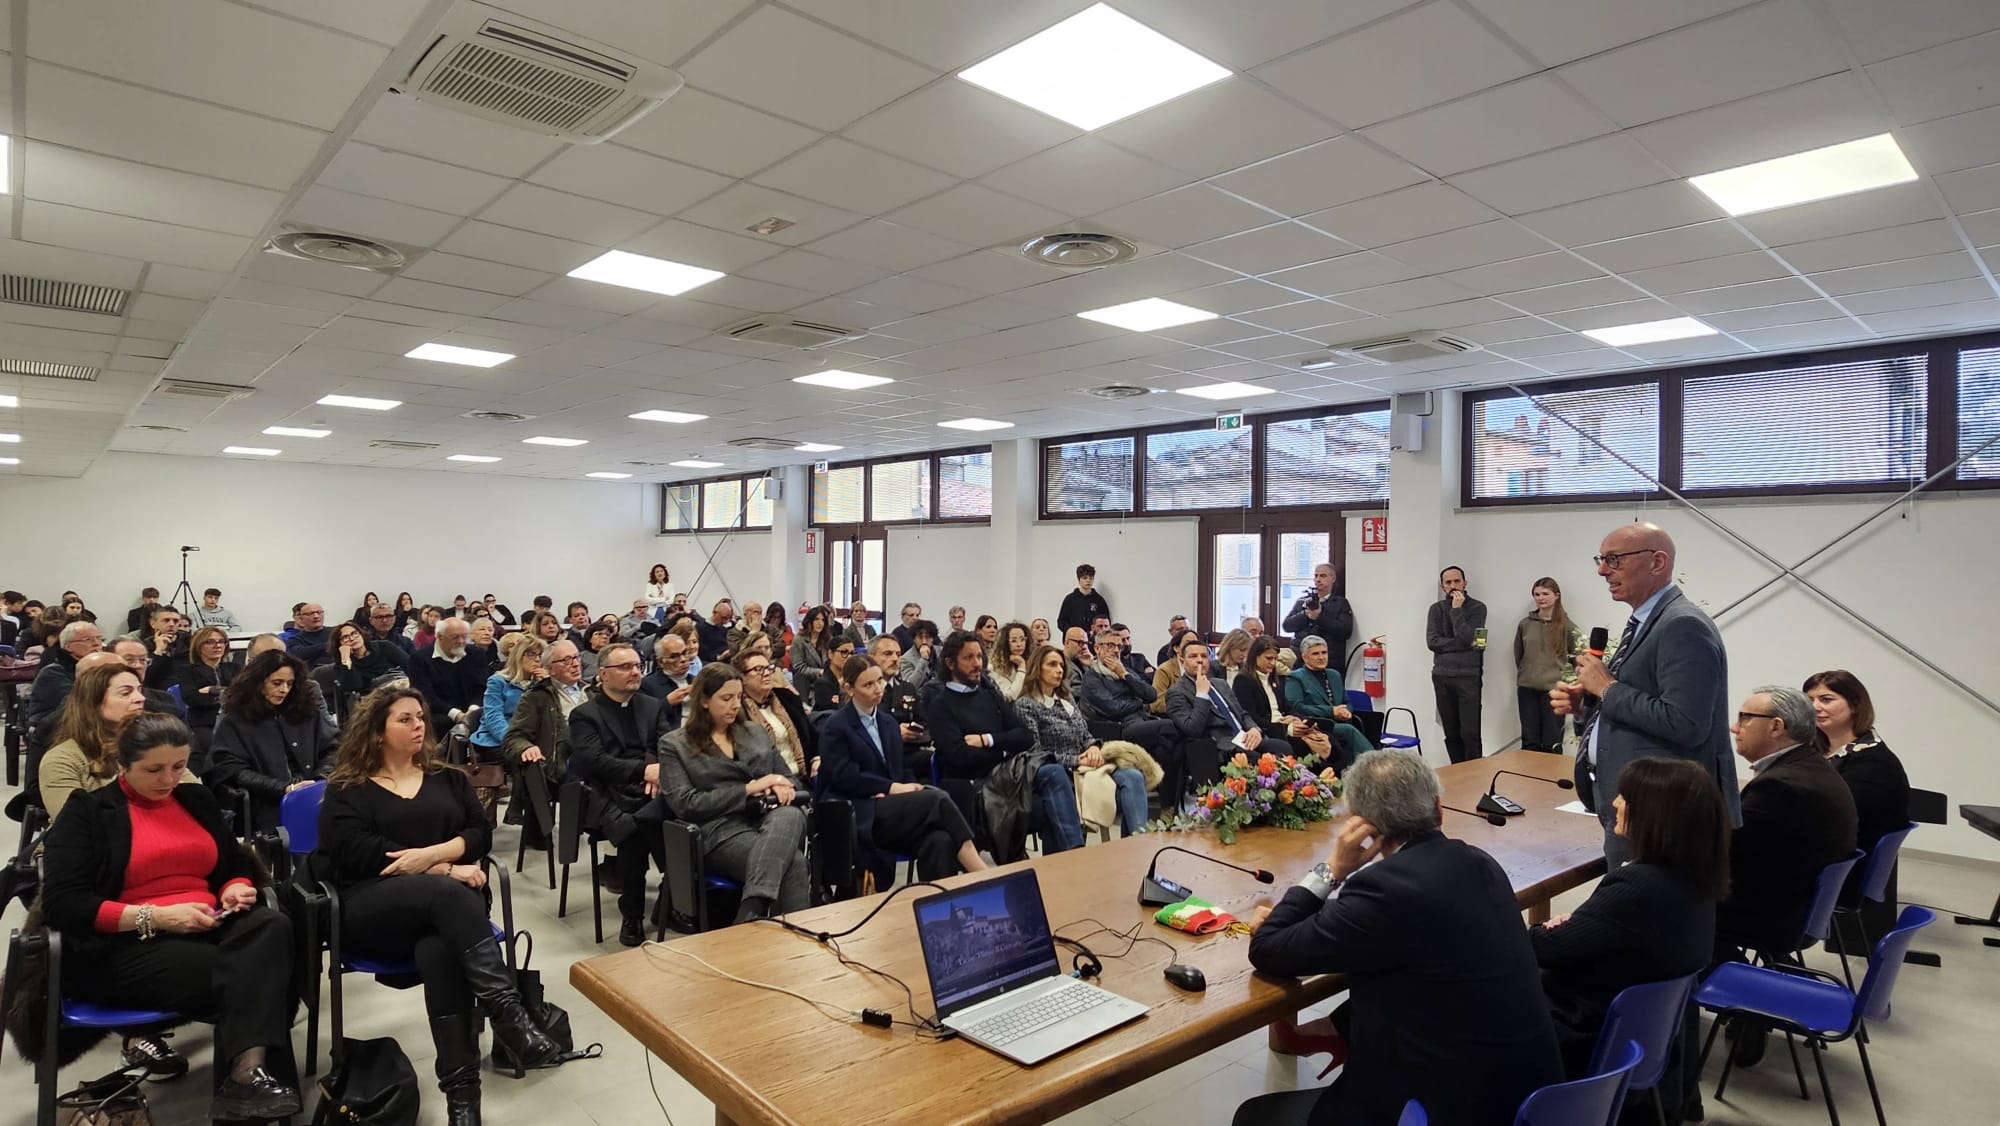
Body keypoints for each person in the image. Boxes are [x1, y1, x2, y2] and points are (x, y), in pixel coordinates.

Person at [1240, 750, 1563, 1126]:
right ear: (1438, 809)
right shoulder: (1479, 862)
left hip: (1453, 1108)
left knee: (1255, 1116)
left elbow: (1268, 949)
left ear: (1361, 828)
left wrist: (1331, 870)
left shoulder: (1384, 891)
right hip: (1538, 1102)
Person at [41, 712, 303, 1120]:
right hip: (125, 944)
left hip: (206, 923)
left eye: (179, 767)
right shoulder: (88, 813)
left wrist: (232, 886)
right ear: (122, 764)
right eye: (154, 769)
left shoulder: (194, 800)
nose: (169, 779)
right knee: (254, 972)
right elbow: (64, 904)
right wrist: (158, 917)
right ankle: (248, 1084)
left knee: (273, 924)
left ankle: (246, 1080)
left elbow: (231, 863)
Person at [319, 688, 564, 1123]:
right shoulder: (347, 789)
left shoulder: (446, 777)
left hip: (452, 916)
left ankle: (462, 1100)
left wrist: (431, 855)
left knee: (440, 950)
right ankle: (510, 1016)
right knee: (450, 896)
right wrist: (446, 869)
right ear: (377, 732)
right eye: (405, 719)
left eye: (420, 718)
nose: (419, 726)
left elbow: (479, 833)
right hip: (374, 905)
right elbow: (356, 853)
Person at [1552, 523, 1740, 866]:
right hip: (1637, 806)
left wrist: (1607, 687)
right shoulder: (1647, 621)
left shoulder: (1682, 626)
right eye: (1601, 559)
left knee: (1645, 917)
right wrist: (1585, 705)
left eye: (1614, 559)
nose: (1602, 570)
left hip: (1664, 816)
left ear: (1657, 562)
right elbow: (1636, 702)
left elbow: (1685, 723)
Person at [1531, 757, 1729, 1080]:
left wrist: (1543, 929)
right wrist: (1582, 924)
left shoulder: (1637, 887)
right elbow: (1604, 930)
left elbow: (1545, 948)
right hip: (1644, 1037)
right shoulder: (1697, 878)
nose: (1615, 803)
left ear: (1654, 816)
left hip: (1582, 1036)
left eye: (1625, 797)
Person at [658, 665, 812, 923]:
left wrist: (780, 785)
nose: (734, 705)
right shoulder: (675, 744)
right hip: (719, 830)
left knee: (791, 815)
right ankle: (784, 937)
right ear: (705, 701)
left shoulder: (755, 732)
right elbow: (686, 804)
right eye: (726, 698)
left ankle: (752, 909)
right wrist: (750, 788)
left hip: (767, 817)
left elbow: (791, 780)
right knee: (793, 863)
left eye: (738, 697)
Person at [819, 653, 988, 883]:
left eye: (879, 680)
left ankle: (941, 903)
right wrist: (890, 787)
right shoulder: (836, 725)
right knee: (936, 798)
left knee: (939, 840)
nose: (878, 688)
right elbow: (843, 776)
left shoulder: (888, 723)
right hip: (861, 808)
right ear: (849, 689)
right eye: (868, 684)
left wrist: (908, 786)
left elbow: (899, 768)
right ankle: (981, 873)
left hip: (892, 808)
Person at [1717, 686, 1858, 961]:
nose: (1735, 728)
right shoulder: (1808, 767)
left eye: (1744, 718)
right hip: (1799, 906)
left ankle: (1722, 988)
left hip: (1775, 915)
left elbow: (1724, 855)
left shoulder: (1780, 787)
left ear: (1776, 727)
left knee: (1658, 904)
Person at [926, 631, 1088, 858]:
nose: (977, 664)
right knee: (1051, 792)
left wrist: (988, 741)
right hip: (977, 784)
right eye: (969, 658)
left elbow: (1024, 737)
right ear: (950, 663)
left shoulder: (988, 694)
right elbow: (960, 757)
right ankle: (1072, 860)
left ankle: (1063, 866)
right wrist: (1004, 750)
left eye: (980, 657)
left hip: (1010, 774)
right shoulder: (940, 705)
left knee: (1053, 776)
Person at [568, 643, 670, 945]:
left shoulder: (652, 705)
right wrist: (644, 771)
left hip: (652, 787)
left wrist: (655, 770)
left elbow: (664, 744)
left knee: (685, 822)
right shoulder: (584, 715)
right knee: (635, 829)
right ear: (603, 675)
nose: (635, 672)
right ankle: (633, 914)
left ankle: (671, 896)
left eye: (638, 665)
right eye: (625, 667)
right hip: (605, 792)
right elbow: (594, 761)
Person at [1804, 669, 1911, 946]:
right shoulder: (1830, 753)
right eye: (1810, 699)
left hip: (1836, 880)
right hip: (1829, 868)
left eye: (1826, 699)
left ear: (1854, 705)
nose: (1815, 706)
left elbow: (1825, 817)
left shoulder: (1872, 764)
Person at [1014, 644, 1151, 839]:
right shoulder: (1026, 705)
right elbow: (1035, 754)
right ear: (1037, 668)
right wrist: (1077, 760)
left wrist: (1093, 747)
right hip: (1060, 772)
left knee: (1133, 776)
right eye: (1052, 664)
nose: (1059, 670)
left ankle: (1138, 842)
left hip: (1089, 764)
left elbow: (1085, 734)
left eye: (1061, 665)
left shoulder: (1066, 699)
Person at [207, 650, 335, 834]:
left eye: (290, 683)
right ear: (258, 683)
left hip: (316, 791)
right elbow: (230, 769)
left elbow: (332, 748)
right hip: (265, 800)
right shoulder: (235, 719)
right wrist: (282, 788)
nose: (284, 689)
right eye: (277, 683)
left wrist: (318, 781)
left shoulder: (306, 711)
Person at [39, 662, 160, 821]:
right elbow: (71, 824)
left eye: (139, 690)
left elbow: (195, 799)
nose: (141, 698)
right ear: (93, 702)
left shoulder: (156, 745)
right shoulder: (62, 759)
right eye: (126, 693)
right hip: (93, 843)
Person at [501, 640, 585, 848]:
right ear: (550, 669)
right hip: (558, 768)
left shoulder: (592, 692)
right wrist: (526, 748)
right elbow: (513, 739)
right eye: (566, 660)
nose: (575, 664)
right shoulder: (537, 697)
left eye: (576, 657)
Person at [1165, 631, 1254, 810]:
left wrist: (1254, 729)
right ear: (1182, 661)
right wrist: (1201, 695)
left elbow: (1242, 714)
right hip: (1218, 744)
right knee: (1254, 759)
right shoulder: (1176, 692)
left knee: (1280, 748)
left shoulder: (1219, 683)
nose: (1200, 660)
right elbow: (1193, 728)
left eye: (1204, 656)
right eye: (1193, 656)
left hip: (1244, 737)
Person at [23, 617, 105, 793]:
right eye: (88, 640)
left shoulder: (101, 668)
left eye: (99, 639)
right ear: (68, 646)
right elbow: (82, 705)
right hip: (57, 735)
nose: (97, 644)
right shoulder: (53, 672)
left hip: (91, 732)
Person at [1233, 636, 1343, 766]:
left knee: (1330, 741)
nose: (1273, 663)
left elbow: (1287, 707)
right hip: (1270, 731)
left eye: (1275, 659)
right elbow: (1251, 717)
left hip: (1286, 725)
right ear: (1255, 657)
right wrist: (1287, 728)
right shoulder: (1243, 681)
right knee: (1307, 748)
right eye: (1269, 658)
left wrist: (1295, 719)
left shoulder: (1274, 679)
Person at [1079, 630, 1179, 762]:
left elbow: (1151, 695)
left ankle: (1167, 782)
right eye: (1110, 645)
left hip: (1144, 720)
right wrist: (1139, 702)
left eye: (1118, 647)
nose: (1116, 651)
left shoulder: (1124, 670)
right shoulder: (1092, 677)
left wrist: (1125, 676)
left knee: (1175, 748)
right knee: (1172, 726)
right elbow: (1113, 708)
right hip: (1121, 728)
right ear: (1097, 648)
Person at [1282, 636, 1372, 772]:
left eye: (1324, 652)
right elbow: (1297, 708)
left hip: (1341, 722)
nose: (1321, 657)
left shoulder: (1334, 675)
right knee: (1349, 731)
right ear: (1305, 657)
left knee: (1367, 724)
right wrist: (1331, 711)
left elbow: (1346, 701)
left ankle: (1362, 771)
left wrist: (1346, 711)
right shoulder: (1295, 677)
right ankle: (1375, 765)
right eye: (1315, 653)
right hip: (1317, 724)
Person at [1426, 566, 1487, 764]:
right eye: (1448, 583)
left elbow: (1477, 643)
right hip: (1442, 676)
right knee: (1451, 731)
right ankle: (1457, 770)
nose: (1453, 586)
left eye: (1457, 581)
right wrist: (1462, 644)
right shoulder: (1436, 609)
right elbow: (1432, 642)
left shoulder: (1478, 608)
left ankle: (1474, 773)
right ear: (1443, 586)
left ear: (1465, 583)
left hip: (1469, 677)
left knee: (1470, 732)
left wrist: (1457, 611)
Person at [1513, 578, 1580, 753]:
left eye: (1545, 594)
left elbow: (1578, 659)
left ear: (1556, 596)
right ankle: (1529, 779)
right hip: (1527, 688)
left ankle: (1550, 779)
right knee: (1529, 741)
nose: (1541, 598)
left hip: (1554, 691)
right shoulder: (1525, 624)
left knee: (1552, 742)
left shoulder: (1568, 627)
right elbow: (1519, 655)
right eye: (1537, 594)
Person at [734, 649, 816, 778]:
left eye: (769, 668)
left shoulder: (787, 697)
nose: (766, 673)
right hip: (770, 783)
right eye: (758, 669)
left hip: (805, 774)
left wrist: (816, 759)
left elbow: (811, 735)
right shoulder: (737, 710)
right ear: (742, 677)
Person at [174, 625, 241, 771]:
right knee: (213, 751)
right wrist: (228, 696)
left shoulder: (235, 668)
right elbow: (192, 698)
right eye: (210, 642)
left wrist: (212, 690)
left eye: (221, 641)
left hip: (235, 720)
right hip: (204, 722)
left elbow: (243, 694)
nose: (217, 646)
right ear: (199, 646)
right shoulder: (188, 671)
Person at [409, 618, 486, 734]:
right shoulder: (420, 659)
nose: (461, 641)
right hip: (439, 713)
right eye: (455, 637)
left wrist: (473, 710)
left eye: (465, 636)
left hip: (474, 710)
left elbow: (482, 686)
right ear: (440, 637)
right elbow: (426, 696)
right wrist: (456, 714)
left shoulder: (476, 654)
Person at [472, 637, 542, 760]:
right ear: (518, 656)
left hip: (531, 739)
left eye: (540, 655)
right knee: (531, 760)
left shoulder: (541, 684)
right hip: (498, 739)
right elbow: (493, 717)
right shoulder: (497, 681)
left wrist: (547, 684)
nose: (537, 659)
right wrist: (515, 741)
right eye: (531, 654)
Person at [1283, 562, 1355, 663]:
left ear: (1333, 579)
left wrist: (1319, 617)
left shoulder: (1340, 603)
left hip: (1328, 660)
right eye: (1316, 576)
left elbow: (1345, 631)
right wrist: (1305, 615)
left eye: (1323, 576)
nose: (1318, 580)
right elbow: (1287, 626)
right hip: (1300, 660)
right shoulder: (1302, 602)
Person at [326, 620, 410, 700]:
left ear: (361, 634)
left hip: (400, 689)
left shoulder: (384, 647)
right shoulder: (341, 663)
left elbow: (410, 665)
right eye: (345, 637)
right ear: (339, 644)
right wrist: (346, 658)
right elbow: (353, 687)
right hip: (372, 701)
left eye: (354, 633)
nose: (352, 639)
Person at [640, 631, 696, 724]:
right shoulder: (647, 685)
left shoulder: (698, 680)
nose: (683, 659)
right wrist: (667, 703)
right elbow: (644, 720)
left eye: (685, 653)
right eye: (674, 656)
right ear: (661, 662)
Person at [790, 605, 833, 702]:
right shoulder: (799, 640)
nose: (820, 623)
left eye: (823, 620)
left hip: (826, 681)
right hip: (807, 683)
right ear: (809, 621)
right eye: (816, 619)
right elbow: (798, 667)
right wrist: (819, 672)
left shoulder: (827, 639)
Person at [1056, 563, 1109, 635]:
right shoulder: (1070, 599)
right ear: (1079, 579)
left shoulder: (1099, 600)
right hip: (1073, 639)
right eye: (1085, 578)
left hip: (1093, 640)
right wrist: (1072, 631)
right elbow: (1061, 622)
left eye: (1091, 578)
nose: (1088, 580)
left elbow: (1106, 621)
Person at [989, 620, 1032, 699]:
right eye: (1014, 641)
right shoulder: (995, 667)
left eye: (1022, 639)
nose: (1019, 644)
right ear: (1005, 643)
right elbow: (1011, 696)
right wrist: (1021, 667)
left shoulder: (1032, 662)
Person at [897, 620, 939, 690]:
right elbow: (910, 686)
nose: (924, 641)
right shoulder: (905, 659)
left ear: (932, 638)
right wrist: (923, 660)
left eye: (927, 637)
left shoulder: (940, 652)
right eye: (920, 638)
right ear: (914, 639)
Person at [694, 599, 733, 663]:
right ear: (714, 613)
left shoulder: (724, 630)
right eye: (723, 618)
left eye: (727, 619)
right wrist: (719, 657)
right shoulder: (700, 628)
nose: (725, 622)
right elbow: (702, 653)